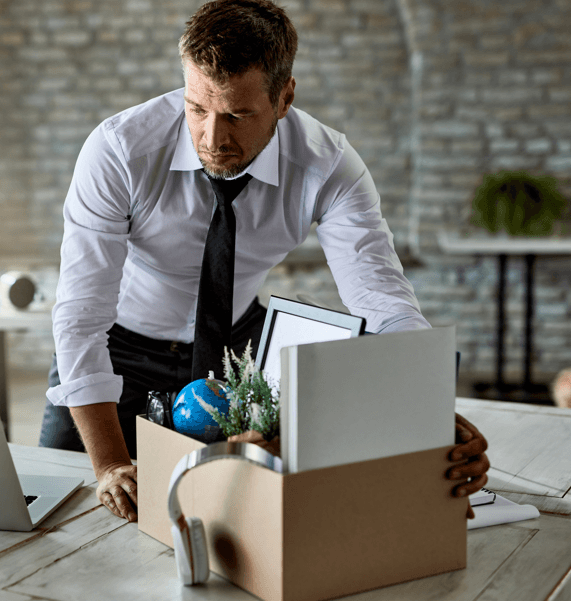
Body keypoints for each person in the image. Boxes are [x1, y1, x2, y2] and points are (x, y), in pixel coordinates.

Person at [40, 0, 489, 522]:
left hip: (233, 349)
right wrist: (111, 464)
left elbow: (381, 299)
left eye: (238, 114)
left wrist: (428, 403)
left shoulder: (329, 166)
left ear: (284, 97)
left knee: (234, 516)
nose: (213, 138)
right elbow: (80, 313)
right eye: (197, 108)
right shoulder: (119, 150)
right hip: (116, 343)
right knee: (64, 511)